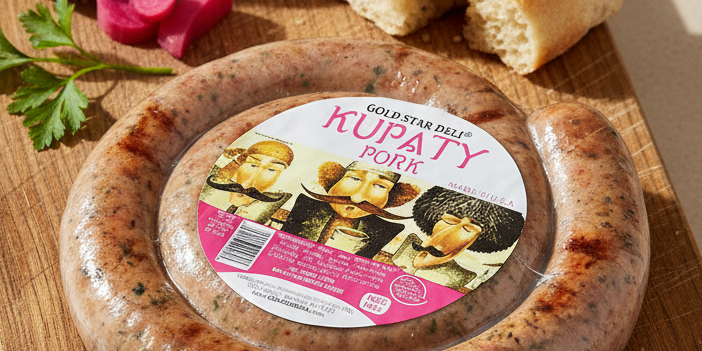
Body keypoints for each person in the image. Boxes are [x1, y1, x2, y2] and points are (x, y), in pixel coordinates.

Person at [390, 186, 525, 291]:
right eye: (450, 220)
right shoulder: (393, 241)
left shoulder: (467, 279)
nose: (447, 234)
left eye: (467, 229)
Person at [279, 160, 421, 258]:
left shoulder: (386, 231)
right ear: (333, 182)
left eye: (380, 186)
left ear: (389, 199)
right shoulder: (304, 207)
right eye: (355, 179)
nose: (356, 198)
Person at [200, 140, 294, 224]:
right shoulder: (206, 182)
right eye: (253, 165)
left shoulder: (279, 212)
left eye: (271, 169)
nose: (248, 183)